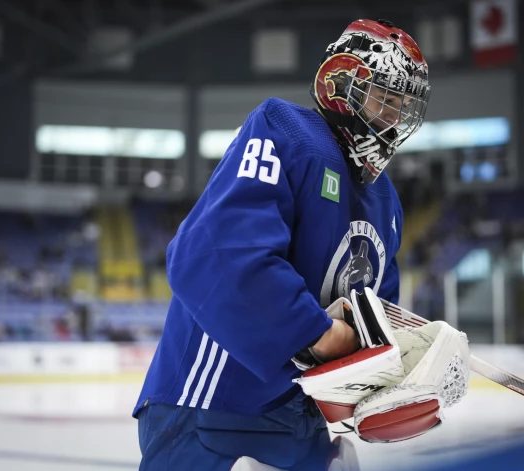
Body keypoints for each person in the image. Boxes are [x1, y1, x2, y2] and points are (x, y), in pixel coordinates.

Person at [134, 18, 432, 470]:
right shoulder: (289, 132)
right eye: (384, 98)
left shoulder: (387, 201)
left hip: (300, 420)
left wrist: (404, 360)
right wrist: (320, 334)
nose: (392, 118)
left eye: (402, 106)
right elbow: (217, 256)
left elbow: (374, 316)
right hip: (212, 403)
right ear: (341, 82)